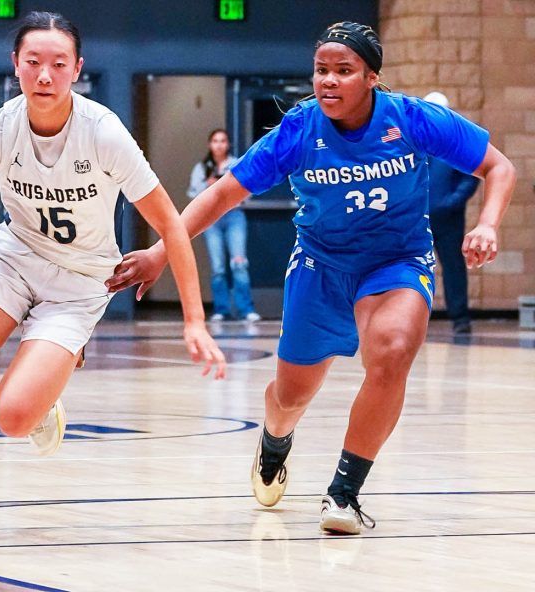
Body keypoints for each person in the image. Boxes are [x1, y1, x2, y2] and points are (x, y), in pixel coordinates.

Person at [107, 21, 515, 534]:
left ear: (371, 77)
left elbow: (499, 168)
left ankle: (344, 493)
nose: (328, 80)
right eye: (321, 70)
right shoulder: (299, 130)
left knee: (392, 352)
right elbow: (223, 194)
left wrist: (487, 224)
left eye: (343, 71)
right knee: (291, 395)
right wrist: (162, 251)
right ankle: (275, 440)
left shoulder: (413, 119)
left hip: (396, 262)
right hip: (321, 266)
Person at [0, 11, 226, 535]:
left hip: (80, 283)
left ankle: (48, 383)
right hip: (12, 261)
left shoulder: (103, 133)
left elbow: (169, 223)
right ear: (16, 66)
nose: (45, 75)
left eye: (58, 63)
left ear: (77, 68)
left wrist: (194, 318)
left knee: (12, 417)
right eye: (33, 62)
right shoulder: (0, 128)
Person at [187, 129, 261, 322]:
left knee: (239, 263)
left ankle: (246, 309)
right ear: (209, 144)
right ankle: (221, 309)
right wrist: (209, 185)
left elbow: (248, 191)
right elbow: (193, 195)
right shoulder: (202, 168)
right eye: (215, 141)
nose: (219, 144)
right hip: (210, 219)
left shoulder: (236, 164)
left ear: (228, 144)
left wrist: (227, 187)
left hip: (234, 215)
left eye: (223, 141)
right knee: (218, 266)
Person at [424, 91, 480, 335]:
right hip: (417, 219)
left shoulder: (457, 142)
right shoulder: (416, 141)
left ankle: (460, 317)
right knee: (415, 269)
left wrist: (452, 202)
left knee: (453, 266)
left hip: (449, 220)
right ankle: (417, 318)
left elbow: (470, 178)